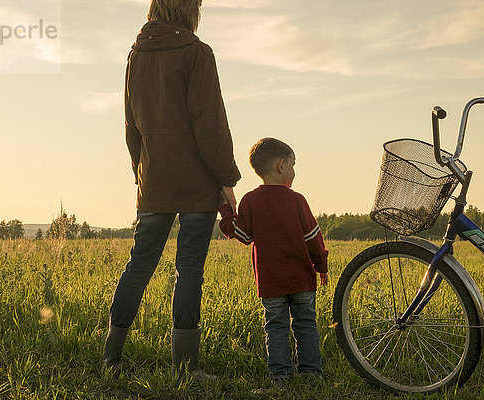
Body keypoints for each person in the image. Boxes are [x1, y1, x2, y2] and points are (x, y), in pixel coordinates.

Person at [102, 0, 240, 380]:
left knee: (140, 263)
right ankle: (185, 368)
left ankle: (110, 358)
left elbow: (131, 122)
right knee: (189, 269)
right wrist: (227, 178)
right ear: (189, 10)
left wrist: (139, 169)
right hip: (197, 182)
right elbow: (209, 122)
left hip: (154, 179)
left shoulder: (136, 55)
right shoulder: (198, 53)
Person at [219, 137, 328, 385]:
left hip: (271, 282)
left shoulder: (250, 200)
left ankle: (280, 376)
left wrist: (226, 211)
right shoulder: (297, 200)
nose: (293, 170)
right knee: (305, 325)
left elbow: (242, 235)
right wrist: (321, 266)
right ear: (281, 165)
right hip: (301, 278)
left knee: (276, 327)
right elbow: (313, 238)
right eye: (292, 164)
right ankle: (311, 374)